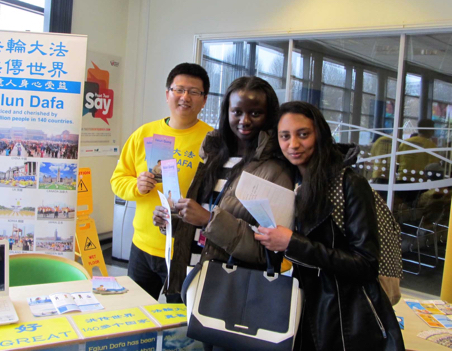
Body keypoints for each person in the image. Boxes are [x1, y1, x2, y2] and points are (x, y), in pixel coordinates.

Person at [255, 101, 404, 351]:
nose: (293, 144)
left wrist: (292, 243)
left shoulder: (348, 184)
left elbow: (366, 264)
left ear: (320, 134)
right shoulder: (288, 180)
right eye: (285, 136)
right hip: (299, 307)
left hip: (342, 316)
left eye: (303, 134)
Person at [152, 76, 293, 322]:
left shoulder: (277, 169)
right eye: (236, 111)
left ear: (269, 116)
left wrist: (209, 219)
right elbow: (200, 221)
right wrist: (173, 221)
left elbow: (267, 253)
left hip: (231, 292)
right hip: (189, 275)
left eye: (255, 113)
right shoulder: (213, 155)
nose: (244, 120)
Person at [110, 63, 213, 302]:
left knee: (181, 321)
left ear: (204, 100)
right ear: (167, 94)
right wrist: (137, 185)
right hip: (143, 246)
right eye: (179, 89)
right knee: (137, 314)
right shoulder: (143, 133)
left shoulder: (213, 141)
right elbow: (118, 180)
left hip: (188, 251)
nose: (185, 97)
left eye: (194, 92)